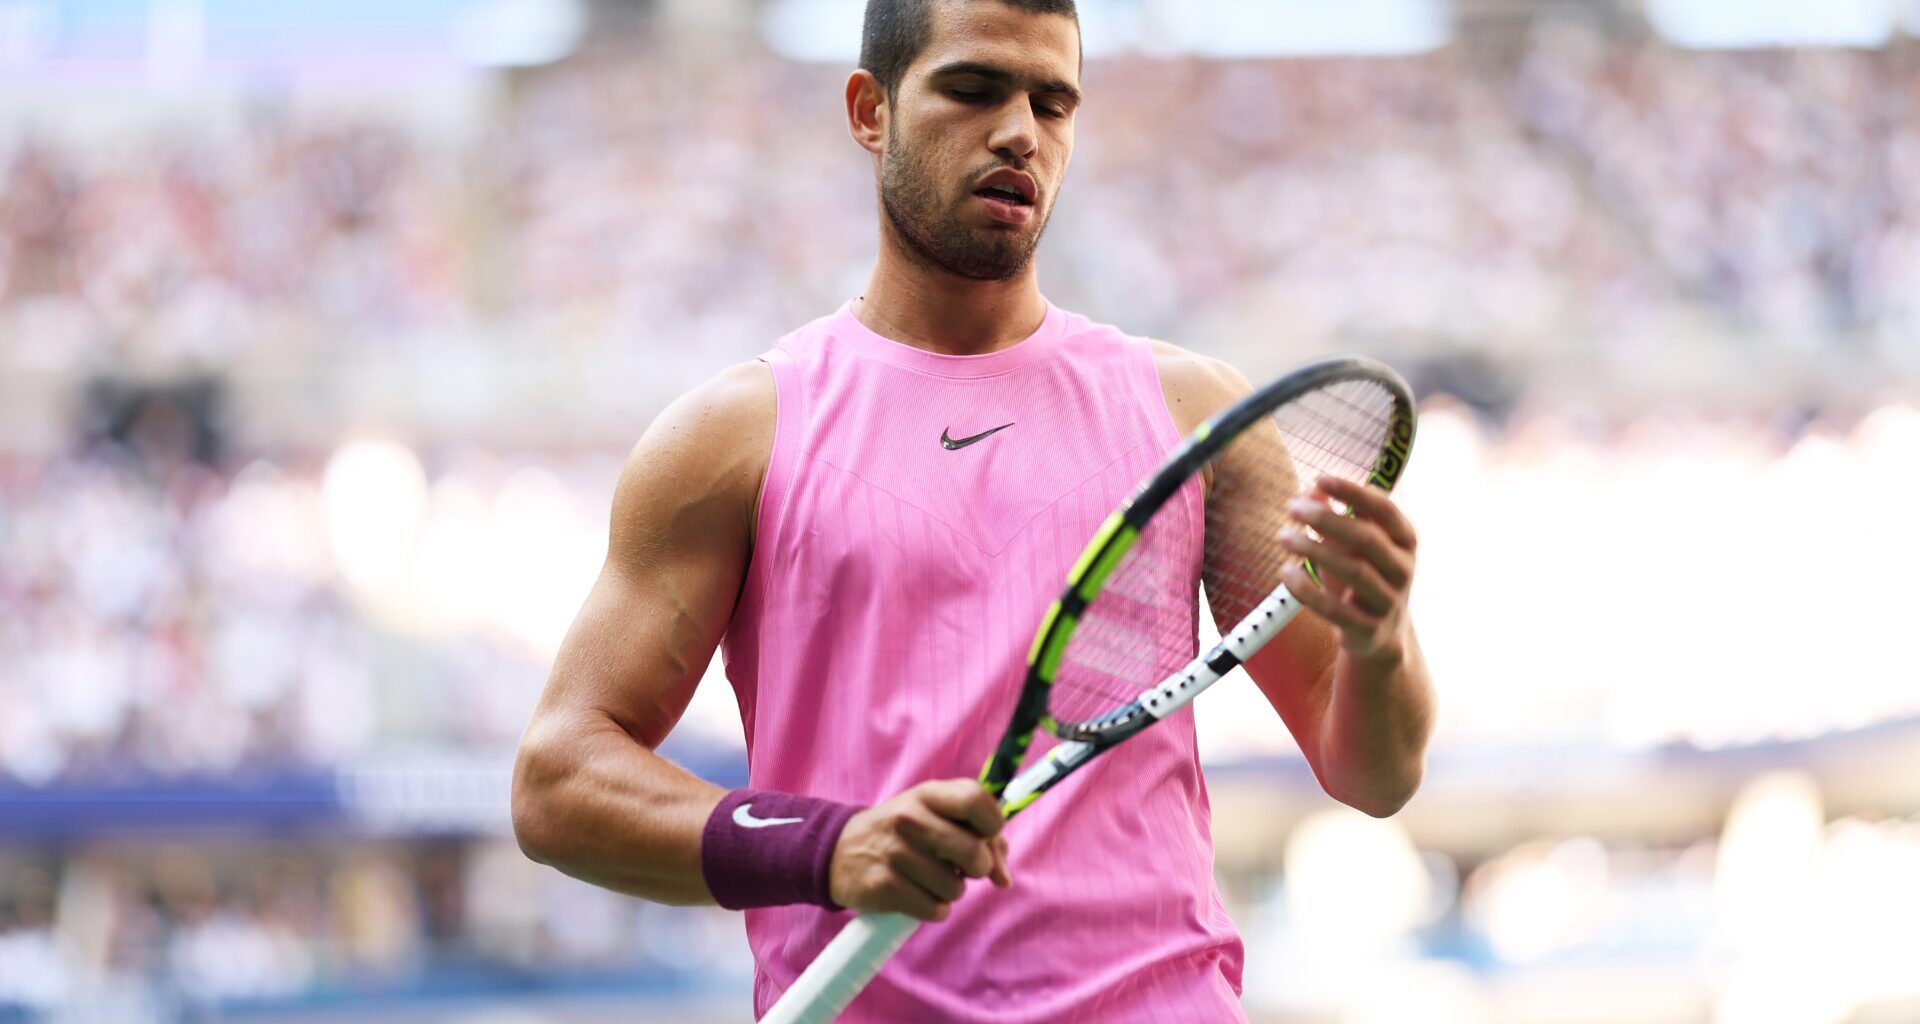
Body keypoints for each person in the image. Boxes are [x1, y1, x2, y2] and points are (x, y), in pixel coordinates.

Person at [509, 1, 1436, 1019]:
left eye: (1053, 103)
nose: (1019, 133)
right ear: (870, 111)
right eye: (973, 88)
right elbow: (558, 782)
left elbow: (1375, 774)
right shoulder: (733, 434)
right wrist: (828, 847)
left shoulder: (1197, 417)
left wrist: (1380, 639)